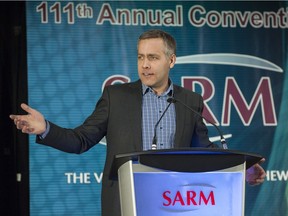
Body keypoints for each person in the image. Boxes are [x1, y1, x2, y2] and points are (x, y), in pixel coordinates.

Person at [10, 29, 266, 216]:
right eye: (140, 57)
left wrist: (240, 169)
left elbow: (203, 152)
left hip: (178, 204)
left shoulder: (191, 100)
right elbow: (81, 140)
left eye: (153, 57)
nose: (145, 65)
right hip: (127, 204)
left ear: (171, 60)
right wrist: (46, 128)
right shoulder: (116, 96)